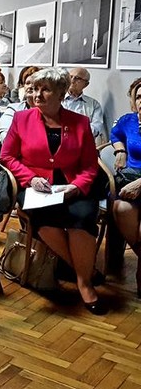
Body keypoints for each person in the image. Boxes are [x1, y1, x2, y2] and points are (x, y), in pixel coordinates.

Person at [0, 67, 105, 315]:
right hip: (35, 185)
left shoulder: (80, 122)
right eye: (35, 89)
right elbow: (7, 156)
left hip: (72, 184)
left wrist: (76, 186)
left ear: (61, 94)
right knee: (43, 216)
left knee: (82, 217)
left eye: (45, 89)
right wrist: (31, 178)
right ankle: (82, 271)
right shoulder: (22, 119)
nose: (37, 94)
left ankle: (84, 283)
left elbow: (90, 165)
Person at [108, 77, 141, 298]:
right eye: (139, 97)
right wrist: (120, 150)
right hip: (130, 183)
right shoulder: (127, 120)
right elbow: (115, 134)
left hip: (139, 183)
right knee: (120, 208)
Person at [62, 67, 106, 145]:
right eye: (70, 77)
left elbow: (96, 128)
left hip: (82, 144)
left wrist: (74, 134)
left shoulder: (94, 104)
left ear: (86, 84)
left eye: (77, 78)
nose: (72, 80)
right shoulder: (57, 99)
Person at [0, 66, 39, 143]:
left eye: (35, 83)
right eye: (27, 83)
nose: (30, 86)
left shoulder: (51, 110)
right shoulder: (14, 109)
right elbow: (5, 135)